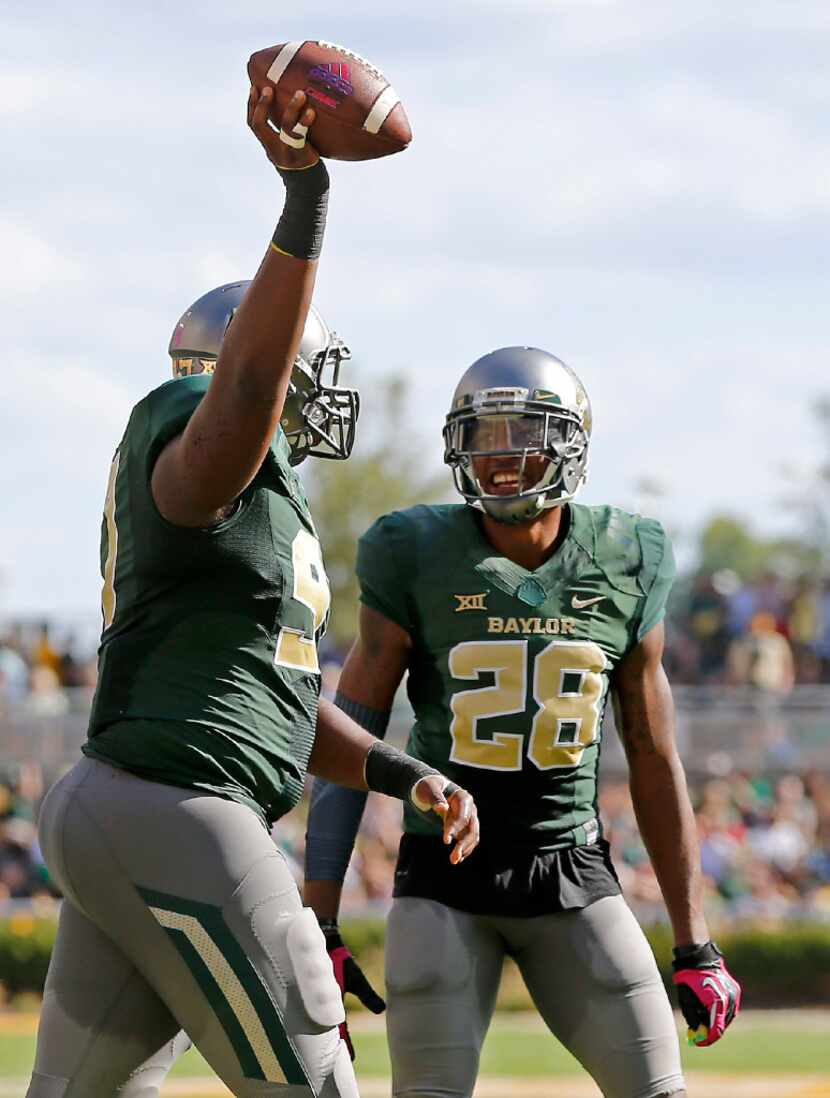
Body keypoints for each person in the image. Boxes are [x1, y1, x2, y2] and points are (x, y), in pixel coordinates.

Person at [25, 85, 478, 1098]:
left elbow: (276, 706)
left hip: (137, 802)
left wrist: (404, 774)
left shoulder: (257, 516)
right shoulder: (198, 433)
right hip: (179, 807)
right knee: (314, 1083)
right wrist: (304, 197)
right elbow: (236, 397)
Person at [305, 348, 741, 1098]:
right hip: (443, 877)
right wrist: (320, 924)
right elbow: (352, 735)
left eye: (523, 432)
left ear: (571, 444)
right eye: (485, 434)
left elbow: (653, 754)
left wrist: (694, 942)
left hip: (570, 865)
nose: (502, 455)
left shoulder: (627, 556)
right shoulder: (413, 551)